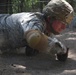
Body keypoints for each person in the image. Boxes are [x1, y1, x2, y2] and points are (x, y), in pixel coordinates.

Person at [0, 0, 74, 61]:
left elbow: (45, 39)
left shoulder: (45, 28)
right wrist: (61, 49)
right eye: (62, 22)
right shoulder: (34, 20)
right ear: (50, 18)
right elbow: (34, 38)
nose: (64, 27)